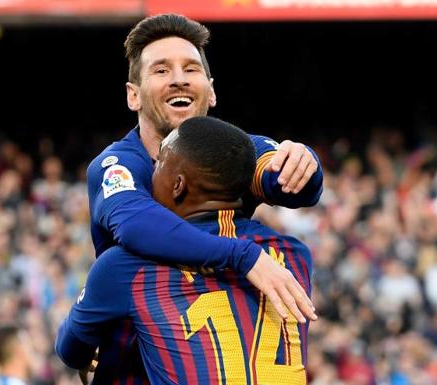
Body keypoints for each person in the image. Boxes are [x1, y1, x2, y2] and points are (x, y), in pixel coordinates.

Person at [85, 13, 323, 327]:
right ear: (133, 95)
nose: (179, 79)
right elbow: (137, 226)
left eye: (190, 68)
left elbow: (292, 185)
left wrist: (305, 161)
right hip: (138, 356)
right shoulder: (118, 165)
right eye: (161, 70)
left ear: (210, 91)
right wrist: (243, 256)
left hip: (217, 348)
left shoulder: (235, 150)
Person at [57, 116, 313, 385]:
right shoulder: (295, 256)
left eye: (158, 166)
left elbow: (70, 349)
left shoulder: (127, 267)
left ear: (177, 185)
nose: (150, 175)